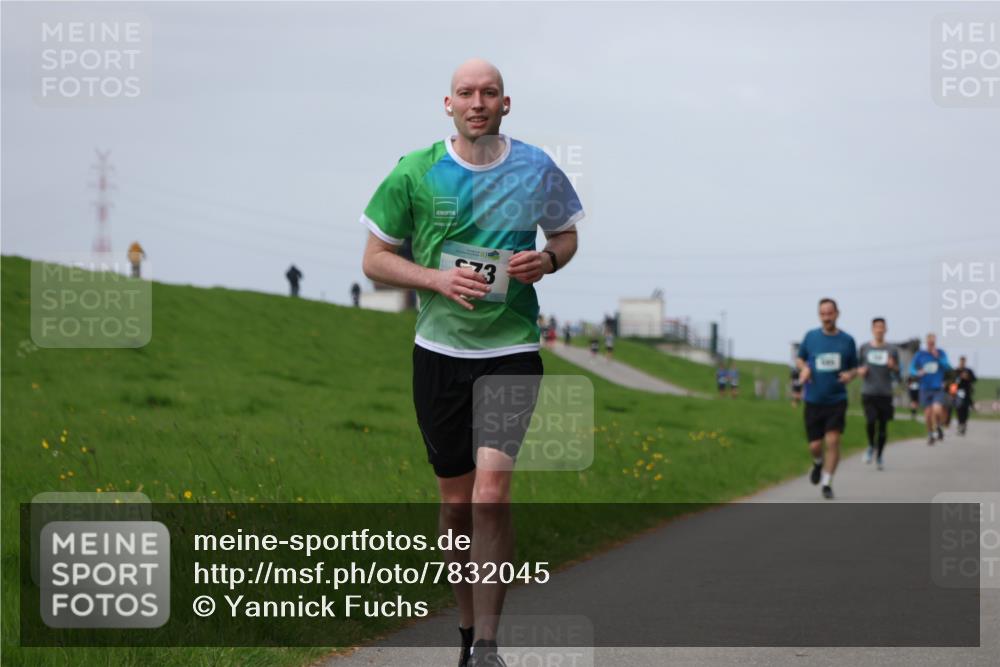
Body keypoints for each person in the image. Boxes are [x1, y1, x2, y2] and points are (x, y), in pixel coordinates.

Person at [359, 58, 582, 667]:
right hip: (439, 354)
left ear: (505, 104)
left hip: (511, 348)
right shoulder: (416, 171)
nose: (477, 102)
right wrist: (433, 276)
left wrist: (550, 261)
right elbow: (374, 258)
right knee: (456, 505)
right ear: (448, 104)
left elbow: (565, 235)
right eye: (466, 93)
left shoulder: (535, 166)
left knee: (491, 490)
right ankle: (464, 632)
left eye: (489, 93)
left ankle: (488, 643)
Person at [796, 298, 858, 500]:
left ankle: (827, 482)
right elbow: (800, 358)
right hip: (813, 399)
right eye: (822, 314)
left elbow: (854, 367)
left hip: (836, 399)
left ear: (837, 313)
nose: (826, 318)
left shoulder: (847, 341)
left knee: (833, 440)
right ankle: (817, 463)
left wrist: (850, 375)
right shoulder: (811, 337)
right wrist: (804, 368)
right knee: (815, 446)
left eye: (829, 313)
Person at [857, 317, 899, 470]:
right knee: (870, 421)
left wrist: (893, 367)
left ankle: (880, 455)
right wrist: (860, 371)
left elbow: (897, 372)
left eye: (882, 327)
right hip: (868, 391)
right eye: (876, 327)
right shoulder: (864, 348)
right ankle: (870, 446)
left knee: (882, 427)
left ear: (886, 329)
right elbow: (858, 367)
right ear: (872, 329)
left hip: (885, 392)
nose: (879, 330)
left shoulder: (892, 350)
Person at [909, 333, 952, 445]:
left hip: (937, 387)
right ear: (926, 343)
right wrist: (917, 372)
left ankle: (938, 426)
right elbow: (911, 368)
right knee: (928, 414)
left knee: (937, 409)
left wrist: (938, 357)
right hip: (924, 387)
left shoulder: (941, 353)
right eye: (929, 343)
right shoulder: (920, 355)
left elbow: (948, 367)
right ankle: (930, 434)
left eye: (933, 343)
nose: (931, 345)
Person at [954, 356, 978, 435]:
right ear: (959, 362)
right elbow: (952, 381)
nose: (962, 363)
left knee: (965, 409)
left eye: (963, 362)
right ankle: (960, 424)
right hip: (958, 393)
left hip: (967, 393)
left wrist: (968, 377)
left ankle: (963, 424)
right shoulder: (956, 371)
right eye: (961, 361)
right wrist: (960, 377)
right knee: (959, 408)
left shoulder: (968, 371)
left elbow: (974, 379)